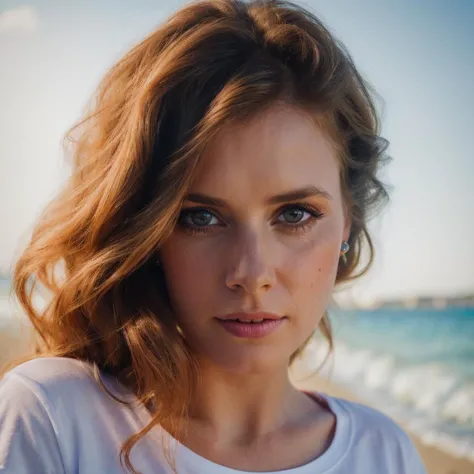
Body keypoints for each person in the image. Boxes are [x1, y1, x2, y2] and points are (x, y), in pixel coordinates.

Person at [0, 1, 427, 473]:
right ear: (148, 231)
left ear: (347, 222)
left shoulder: (384, 454)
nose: (252, 274)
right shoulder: (53, 420)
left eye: (295, 213)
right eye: (201, 217)